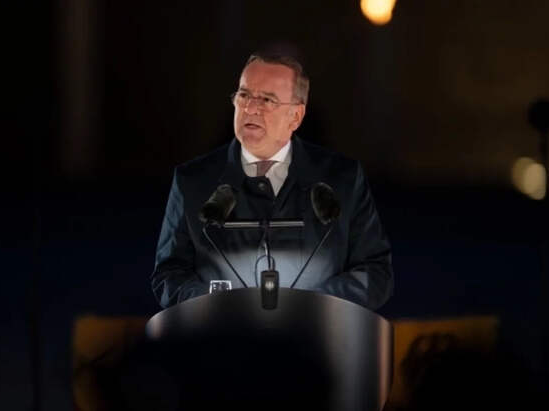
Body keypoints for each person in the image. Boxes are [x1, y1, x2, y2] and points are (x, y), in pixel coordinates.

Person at [151, 52, 393, 311]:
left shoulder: (343, 178)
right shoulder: (192, 181)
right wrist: (217, 304)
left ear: (296, 116)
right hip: (223, 333)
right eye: (244, 95)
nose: (250, 108)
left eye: (267, 100)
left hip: (316, 332)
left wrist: (314, 305)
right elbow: (169, 274)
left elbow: (375, 272)